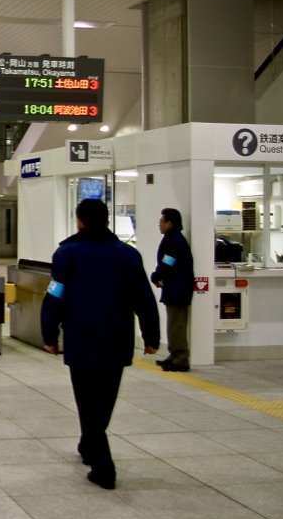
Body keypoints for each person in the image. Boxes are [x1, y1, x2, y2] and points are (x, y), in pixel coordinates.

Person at [41, 199, 160, 490]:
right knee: (104, 401)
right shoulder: (128, 255)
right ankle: (89, 444)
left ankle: (103, 467)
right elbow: (144, 297)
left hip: (80, 338)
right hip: (117, 338)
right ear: (108, 222)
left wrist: (48, 334)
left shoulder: (67, 253)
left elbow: (55, 295)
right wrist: (151, 336)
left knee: (87, 401)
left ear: (79, 221)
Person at [151, 207, 195, 372]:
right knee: (173, 324)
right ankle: (174, 354)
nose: (159, 225)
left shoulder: (175, 240)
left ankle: (181, 358)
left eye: (161, 221)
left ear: (170, 223)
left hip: (178, 289)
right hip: (174, 287)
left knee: (176, 325)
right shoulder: (172, 238)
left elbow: (168, 262)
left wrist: (156, 276)